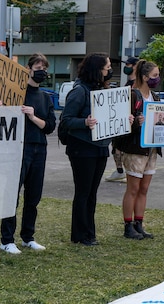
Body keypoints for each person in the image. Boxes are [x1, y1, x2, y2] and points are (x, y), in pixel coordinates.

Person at [0, 53, 57, 254]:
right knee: (12, 196)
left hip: (39, 148)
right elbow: (4, 119)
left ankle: (28, 237)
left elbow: (49, 126)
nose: (41, 71)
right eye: (37, 67)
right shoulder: (15, 93)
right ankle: (7, 240)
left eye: (44, 68)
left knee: (33, 197)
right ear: (28, 69)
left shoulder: (45, 97)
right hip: (18, 148)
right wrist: (0, 108)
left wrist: (33, 116)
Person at [59, 53, 115, 246]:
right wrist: (85, 122)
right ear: (96, 70)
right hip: (82, 149)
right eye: (107, 68)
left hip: (99, 148)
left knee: (92, 193)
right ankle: (80, 234)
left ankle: (89, 233)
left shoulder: (101, 90)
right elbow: (66, 120)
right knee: (83, 192)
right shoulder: (79, 91)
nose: (109, 71)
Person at [116, 59, 161, 239]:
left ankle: (139, 223)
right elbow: (122, 124)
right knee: (133, 188)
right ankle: (128, 225)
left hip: (151, 148)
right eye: (155, 75)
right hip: (134, 147)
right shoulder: (132, 95)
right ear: (144, 76)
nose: (157, 79)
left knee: (144, 188)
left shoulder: (155, 97)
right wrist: (135, 123)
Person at [107, 56, 139, 182]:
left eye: (129, 65)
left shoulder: (138, 84)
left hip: (132, 121)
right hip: (121, 119)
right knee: (116, 147)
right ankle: (120, 170)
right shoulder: (128, 83)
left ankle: (128, 171)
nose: (126, 67)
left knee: (125, 148)